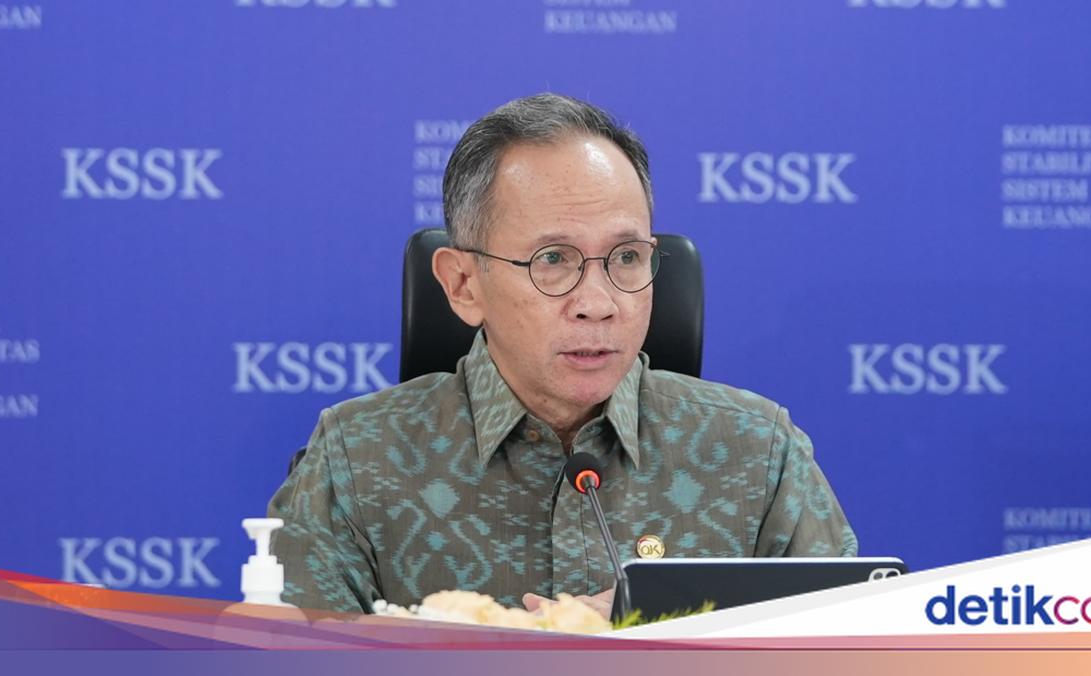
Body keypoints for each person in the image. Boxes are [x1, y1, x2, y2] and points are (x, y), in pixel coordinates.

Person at [268, 93, 857, 616]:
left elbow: (857, 651)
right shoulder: (357, 460)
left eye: (626, 257)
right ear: (463, 284)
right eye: (552, 259)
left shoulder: (757, 454)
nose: (598, 304)